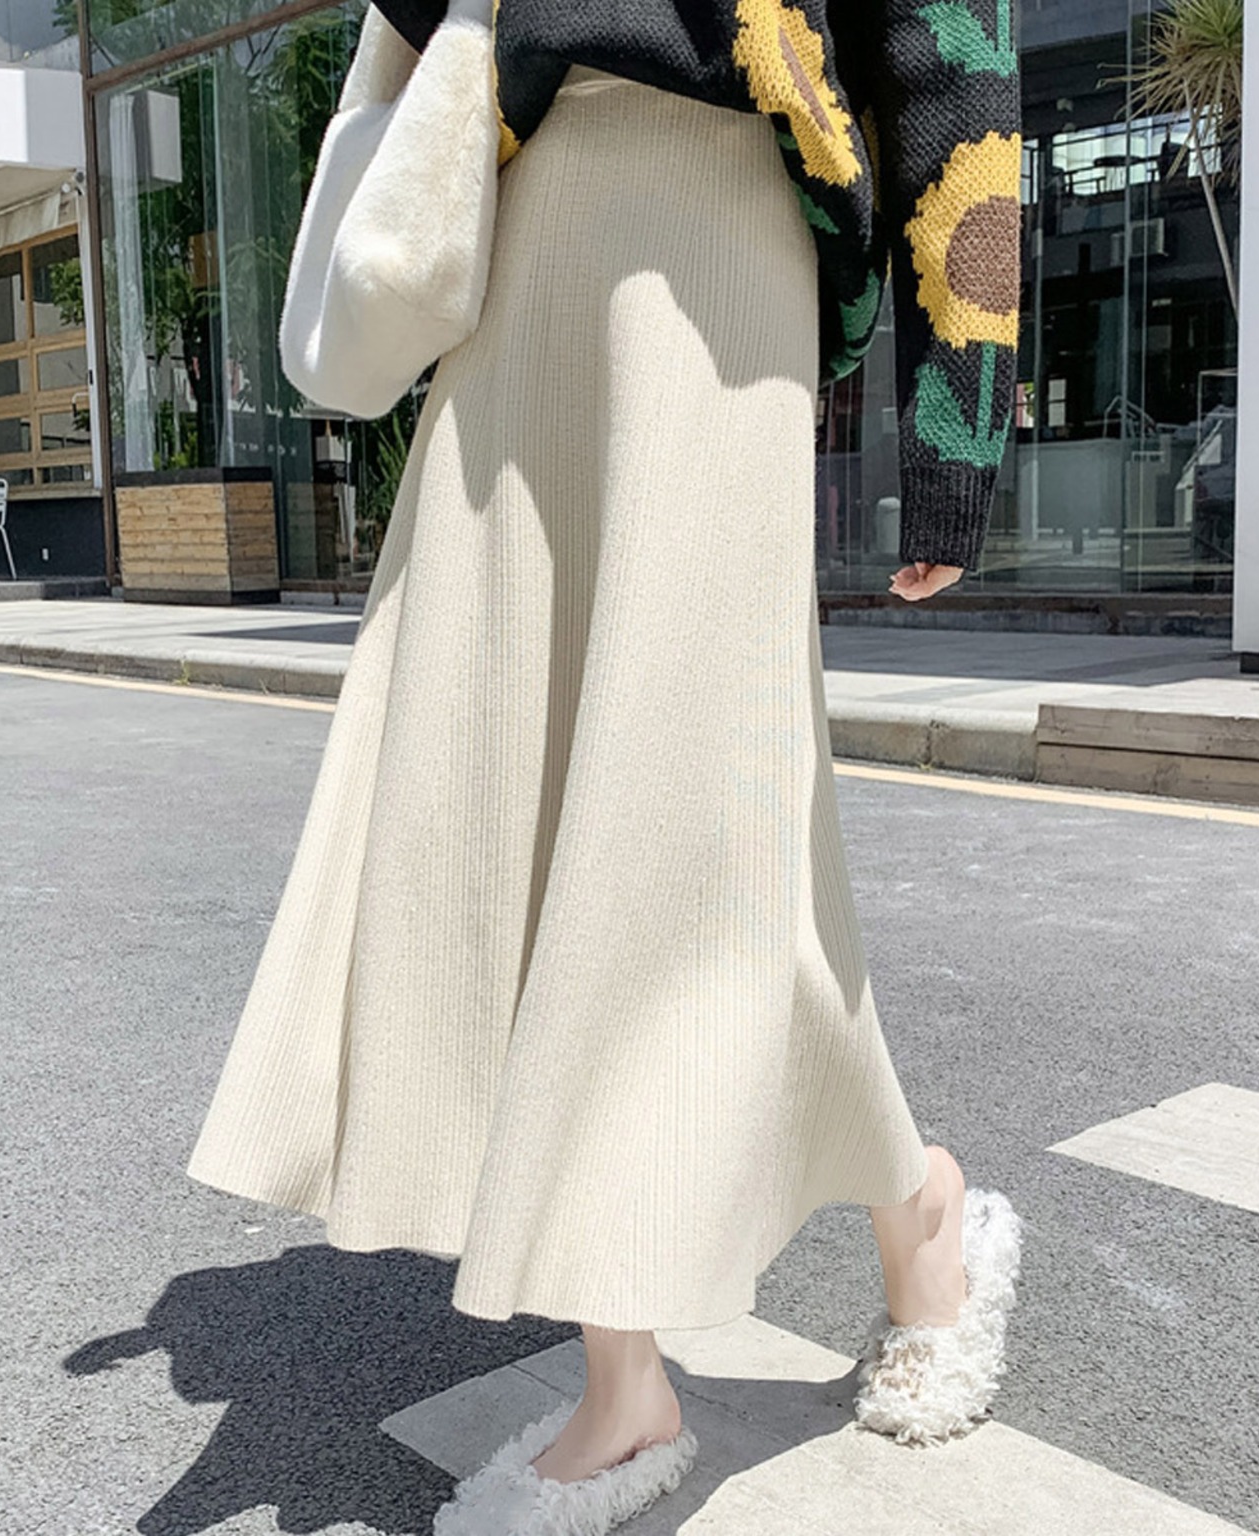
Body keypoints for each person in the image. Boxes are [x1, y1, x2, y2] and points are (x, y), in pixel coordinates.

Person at [187, 0, 1026, 1529]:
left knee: (688, 811)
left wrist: (957, 426)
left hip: (721, 212)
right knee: (513, 779)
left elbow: (941, 37)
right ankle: (641, 1368)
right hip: (517, 218)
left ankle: (909, 1211)